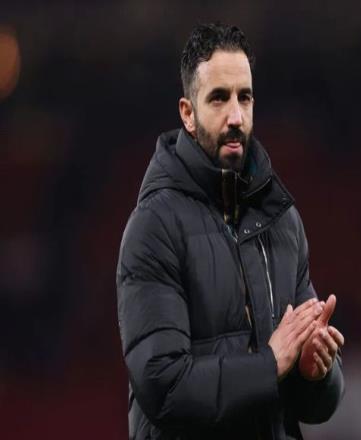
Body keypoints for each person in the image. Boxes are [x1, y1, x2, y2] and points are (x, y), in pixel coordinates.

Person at [116, 23, 345, 440]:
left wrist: (315, 374)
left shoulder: (282, 221)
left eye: (245, 97)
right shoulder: (154, 227)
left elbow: (317, 404)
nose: (236, 117)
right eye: (219, 98)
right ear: (188, 113)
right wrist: (270, 364)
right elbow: (163, 387)